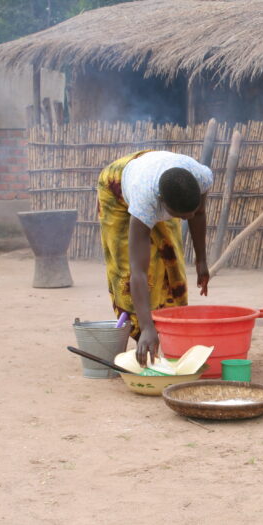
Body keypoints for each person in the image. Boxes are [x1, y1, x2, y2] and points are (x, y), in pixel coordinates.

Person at [97, 150, 213, 365]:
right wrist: (147, 326)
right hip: (118, 186)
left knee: (171, 265)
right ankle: (143, 338)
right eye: (180, 215)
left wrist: (201, 261)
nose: (186, 218)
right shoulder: (145, 201)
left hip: (155, 171)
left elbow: (198, 214)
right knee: (125, 271)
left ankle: (166, 336)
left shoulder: (201, 177)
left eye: (189, 212)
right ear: (161, 202)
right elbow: (137, 272)